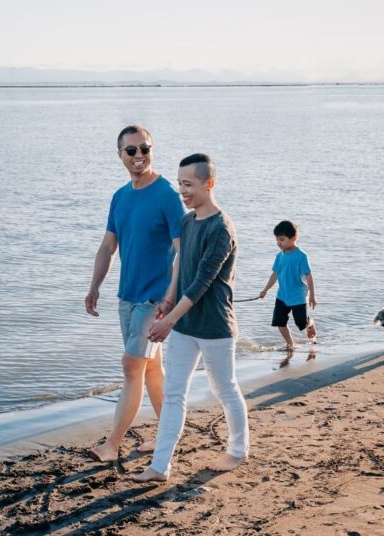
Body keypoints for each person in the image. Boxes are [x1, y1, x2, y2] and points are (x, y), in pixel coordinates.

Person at [133, 153, 249, 482]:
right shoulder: (186, 221)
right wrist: (167, 303)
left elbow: (200, 283)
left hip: (214, 326)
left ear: (209, 184)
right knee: (173, 393)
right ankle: (160, 467)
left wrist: (167, 322)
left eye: (188, 184)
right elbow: (180, 267)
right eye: (180, 183)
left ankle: (238, 451)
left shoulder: (222, 228)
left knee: (224, 388)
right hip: (184, 324)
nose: (182, 191)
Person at [85, 125, 183, 463]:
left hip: (154, 300)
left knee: (131, 367)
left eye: (145, 148)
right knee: (151, 369)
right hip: (127, 298)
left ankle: (112, 444)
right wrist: (95, 286)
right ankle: (167, 435)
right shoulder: (120, 197)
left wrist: (170, 299)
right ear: (121, 155)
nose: (139, 156)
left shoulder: (168, 195)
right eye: (132, 151)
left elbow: (181, 250)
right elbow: (108, 246)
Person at [258, 220, 318, 350]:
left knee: (301, 323)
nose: (279, 243)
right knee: (279, 322)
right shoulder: (279, 256)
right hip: (282, 296)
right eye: (277, 240)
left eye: (282, 239)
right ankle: (290, 343)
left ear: (294, 238)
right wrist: (265, 290)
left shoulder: (301, 256)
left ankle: (310, 323)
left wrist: (312, 294)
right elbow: (275, 275)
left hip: (298, 296)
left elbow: (308, 275)